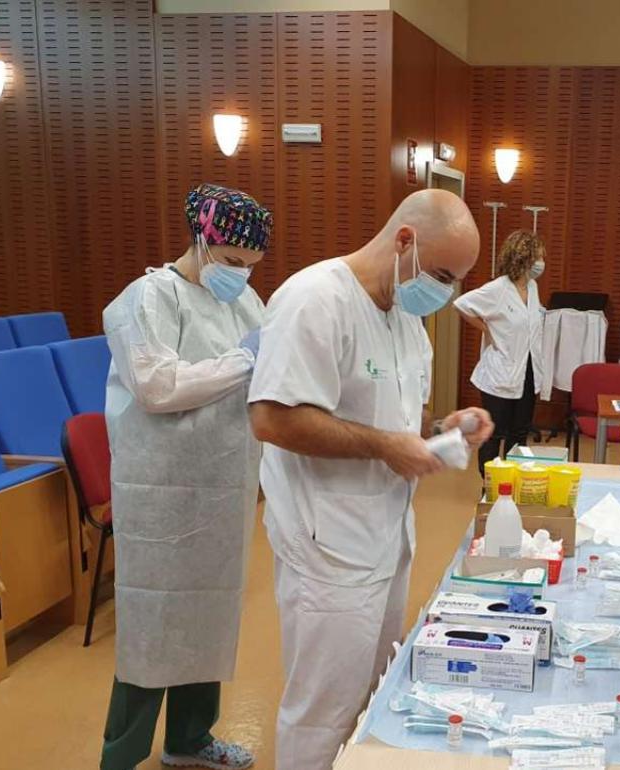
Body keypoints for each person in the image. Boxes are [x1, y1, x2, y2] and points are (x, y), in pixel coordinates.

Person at [248, 188, 493, 770]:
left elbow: (399, 419)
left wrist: (447, 427)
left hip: (387, 535)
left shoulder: (406, 320)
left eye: (455, 281)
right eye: (441, 275)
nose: (445, 292)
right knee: (324, 708)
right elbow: (273, 417)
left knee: (375, 691)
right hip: (327, 543)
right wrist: (385, 446)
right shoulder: (315, 300)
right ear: (404, 240)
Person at [100, 183, 272, 770]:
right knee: (153, 627)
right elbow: (157, 386)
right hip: (161, 492)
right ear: (201, 239)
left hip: (222, 487)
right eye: (231, 259)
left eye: (250, 264)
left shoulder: (244, 303)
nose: (240, 273)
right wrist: (245, 359)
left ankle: (190, 739)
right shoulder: (148, 298)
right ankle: (120, 756)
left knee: (209, 617)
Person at [454, 230, 546, 474]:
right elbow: (461, 304)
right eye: (538, 257)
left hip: (528, 371)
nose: (541, 263)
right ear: (524, 258)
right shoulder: (498, 289)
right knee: (494, 434)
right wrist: (487, 329)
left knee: (519, 433)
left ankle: (514, 481)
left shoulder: (533, 287)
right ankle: (489, 486)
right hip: (499, 372)